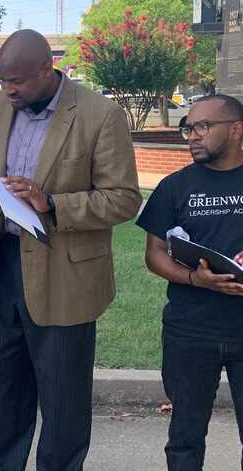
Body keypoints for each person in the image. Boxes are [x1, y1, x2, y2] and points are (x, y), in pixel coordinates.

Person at [0, 29, 142, 471]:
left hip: (66, 279)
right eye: (3, 81)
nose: (8, 90)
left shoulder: (101, 115)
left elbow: (124, 198)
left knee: (63, 409)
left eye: (17, 81)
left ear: (47, 68)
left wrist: (52, 204)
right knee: (2, 400)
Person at [137, 94, 243, 470]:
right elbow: (154, 255)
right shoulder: (174, 187)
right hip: (190, 330)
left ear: (235, 129)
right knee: (185, 436)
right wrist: (196, 280)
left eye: (202, 126)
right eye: (188, 128)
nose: (192, 136)